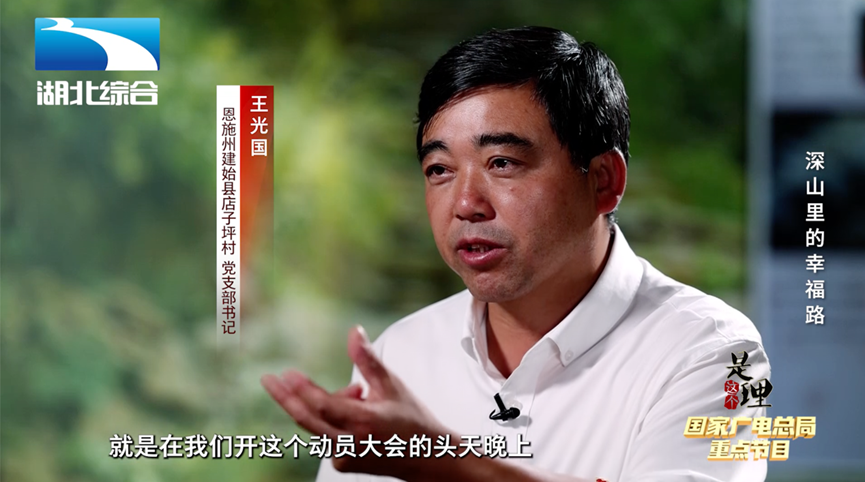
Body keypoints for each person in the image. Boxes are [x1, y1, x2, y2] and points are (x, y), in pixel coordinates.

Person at [261, 26, 771, 482]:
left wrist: (442, 463)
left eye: (502, 162)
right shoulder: (402, 354)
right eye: (440, 170)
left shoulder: (719, 353)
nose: (465, 204)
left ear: (603, 181)